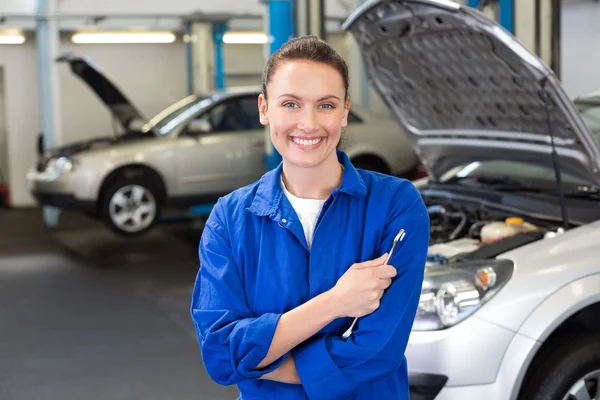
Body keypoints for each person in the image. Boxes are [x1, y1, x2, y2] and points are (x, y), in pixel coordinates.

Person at [190, 35, 430, 400]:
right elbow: (221, 353)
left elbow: (378, 352)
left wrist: (260, 365)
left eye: (326, 105)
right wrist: (336, 302)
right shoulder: (229, 219)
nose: (308, 123)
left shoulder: (395, 204)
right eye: (290, 103)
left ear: (345, 111)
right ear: (264, 108)